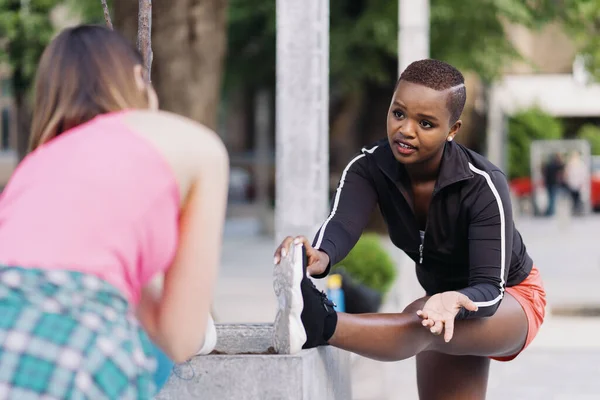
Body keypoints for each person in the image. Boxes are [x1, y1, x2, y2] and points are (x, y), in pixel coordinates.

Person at [273, 59, 546, 400]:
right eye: (398, 113)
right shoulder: (368, 167)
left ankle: (318, 322)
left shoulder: (482, 185)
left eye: (426, 123)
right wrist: (320, 254)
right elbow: (342, 224)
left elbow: (490, 287)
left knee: (421, 320)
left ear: (452, 129)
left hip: (508, 297)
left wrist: (454, 299)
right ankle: (313, 317)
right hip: (442, 298)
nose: (405, 130)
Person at [0, 25, 228, 399]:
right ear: (140, 78)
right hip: (76, 343)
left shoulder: (36, 166)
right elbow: (179, 337)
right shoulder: (197, 144)